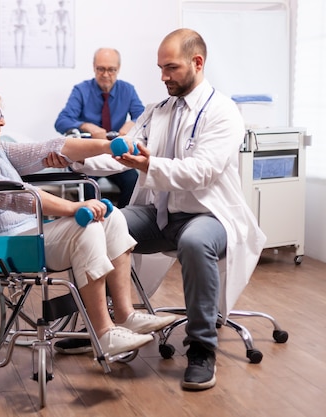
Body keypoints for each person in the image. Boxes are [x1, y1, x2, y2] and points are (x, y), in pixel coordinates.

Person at [56, 29, 266, 391]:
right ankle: (101, 326)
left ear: (198, 63)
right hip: (159, 214)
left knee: (196, 243)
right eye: (160, 68)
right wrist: (74, 162)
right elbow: (120, 155)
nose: (163, 76)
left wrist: (146, 165)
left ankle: (201, 348)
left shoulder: (224, 113)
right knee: (106, 222)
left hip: (208, 216)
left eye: (171, 68)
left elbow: (200, 172)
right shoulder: (158, 111)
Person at [0, 84, 176, 359]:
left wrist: (107, 145)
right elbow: (13, 197)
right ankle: (103, 332)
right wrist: (75, 207)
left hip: (26, 237)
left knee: (111, 218)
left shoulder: (0, 153)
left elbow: (51, 148)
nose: (2, 120)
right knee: (85, 227)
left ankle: (124, 314)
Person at [54, 48, 144, 208]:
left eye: (111, 69)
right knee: (88, 186)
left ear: (118, 69)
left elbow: (145, 117)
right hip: (88, 154)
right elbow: (61, 121)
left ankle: (123, 222)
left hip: (117, 155)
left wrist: (132, 123)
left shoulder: (127, 90)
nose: (106, 74)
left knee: (133, 182)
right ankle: (95, 225)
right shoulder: (81, 90)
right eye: (101, 69)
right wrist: (86, 126)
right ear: (94, 67)